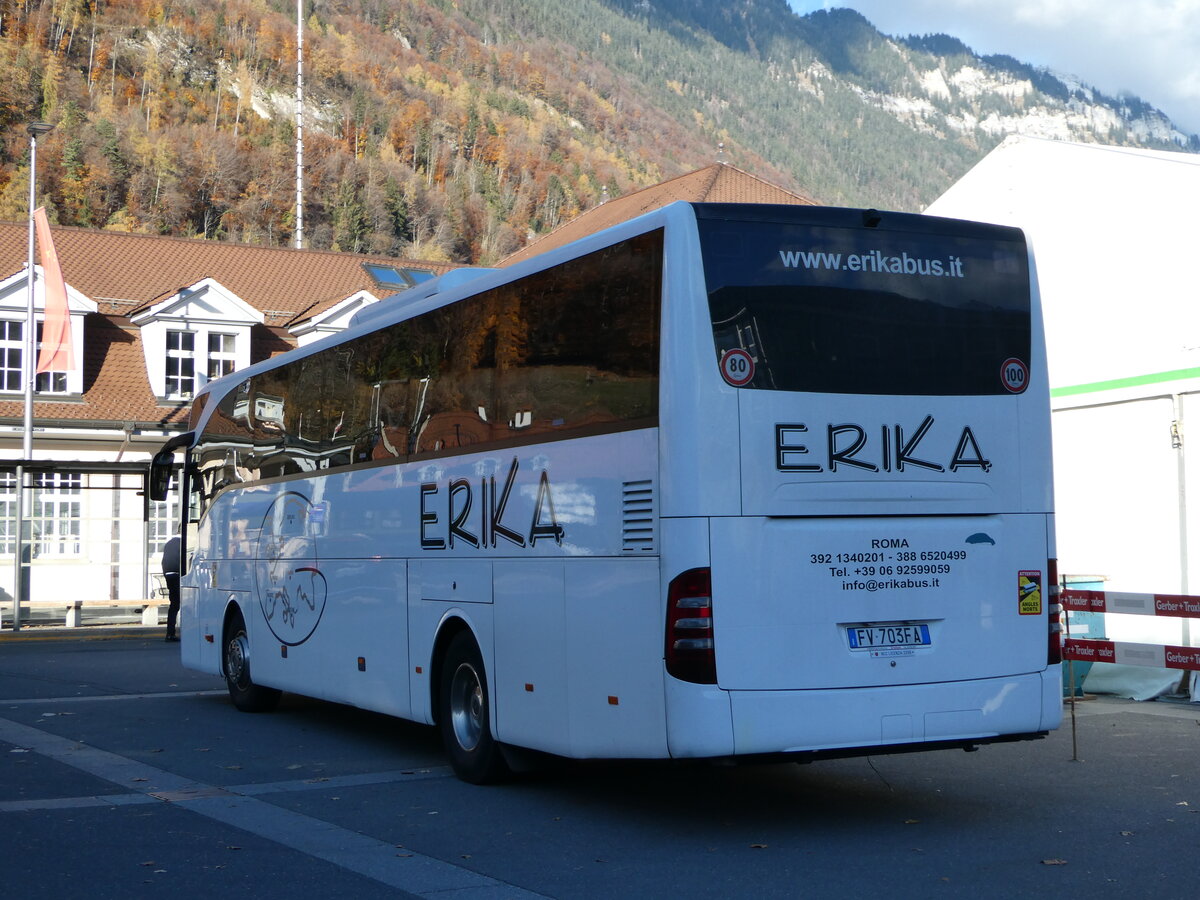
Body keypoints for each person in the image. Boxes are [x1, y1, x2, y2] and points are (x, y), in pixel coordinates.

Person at [161, 534, 181, 642]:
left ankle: (170, 633)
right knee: (184, 604)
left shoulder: (168, 544)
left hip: (169, 575)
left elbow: (163, 561)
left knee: (173, 605)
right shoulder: (182, 543)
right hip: (178, 575)